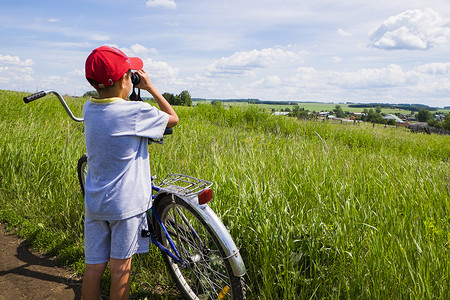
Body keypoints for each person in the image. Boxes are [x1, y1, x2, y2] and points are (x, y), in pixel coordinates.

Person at [81, 45, 178, 300]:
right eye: (130, 75)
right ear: (126, 81)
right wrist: (149, 87)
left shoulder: (88, 110)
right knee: (120, 268)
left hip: (95, 204)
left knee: (93, 267)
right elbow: (173, 118)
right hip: (125, 206)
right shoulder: (136, 112)